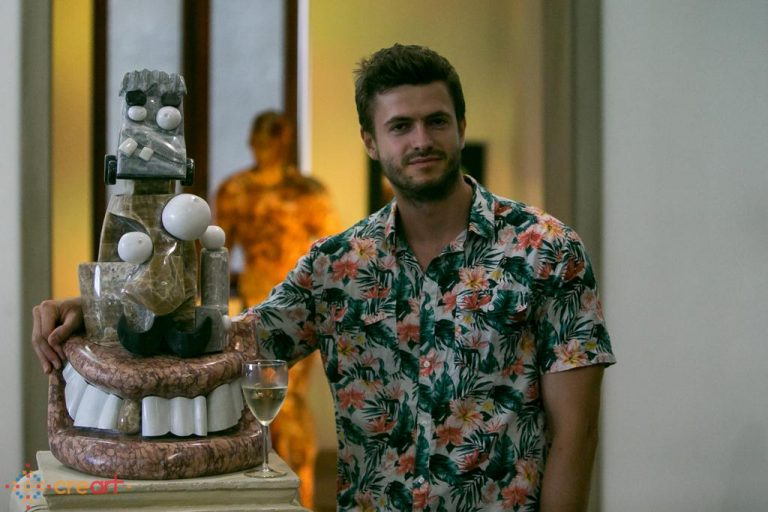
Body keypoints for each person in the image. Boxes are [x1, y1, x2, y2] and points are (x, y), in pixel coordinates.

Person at [32, 43, 615, 511]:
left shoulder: (546, 251)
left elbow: (576, 433)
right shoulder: (337, 267)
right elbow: (235, 341)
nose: (421, 141)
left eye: (436, 121)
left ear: (461, 127)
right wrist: (101, 308)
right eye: (400, 126)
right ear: (371, 142)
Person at [215, 110, 339, 509]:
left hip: (303, 306)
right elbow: (215, 254)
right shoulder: (237, 190)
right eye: (264, 139)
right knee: (262, 401)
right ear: (254, 141)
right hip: (259, 305)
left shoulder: (308, 192)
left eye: (276, 139)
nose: (268, 147)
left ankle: (301, 495)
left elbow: (334, 252)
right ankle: (268, 494)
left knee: (290, 402)